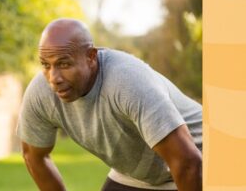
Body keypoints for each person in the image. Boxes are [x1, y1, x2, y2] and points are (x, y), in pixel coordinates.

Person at [16, 18, 202, 191]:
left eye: (64, 64)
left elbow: (188, 163)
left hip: (204, 162)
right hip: (136, 175)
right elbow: (33, 156)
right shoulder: (41, 93)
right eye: (46, 65)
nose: (53, 78)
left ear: (91, 57)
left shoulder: (128, 82)